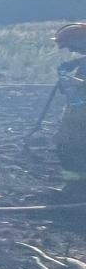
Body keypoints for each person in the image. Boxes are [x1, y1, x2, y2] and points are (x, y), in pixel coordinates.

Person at [54, 23, 86, 198]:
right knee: (66, 148)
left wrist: (76, 83)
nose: (71, 50)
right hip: (78, 112)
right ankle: (73, 186)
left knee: (74, 150)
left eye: (72, 46)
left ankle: (77, 189)